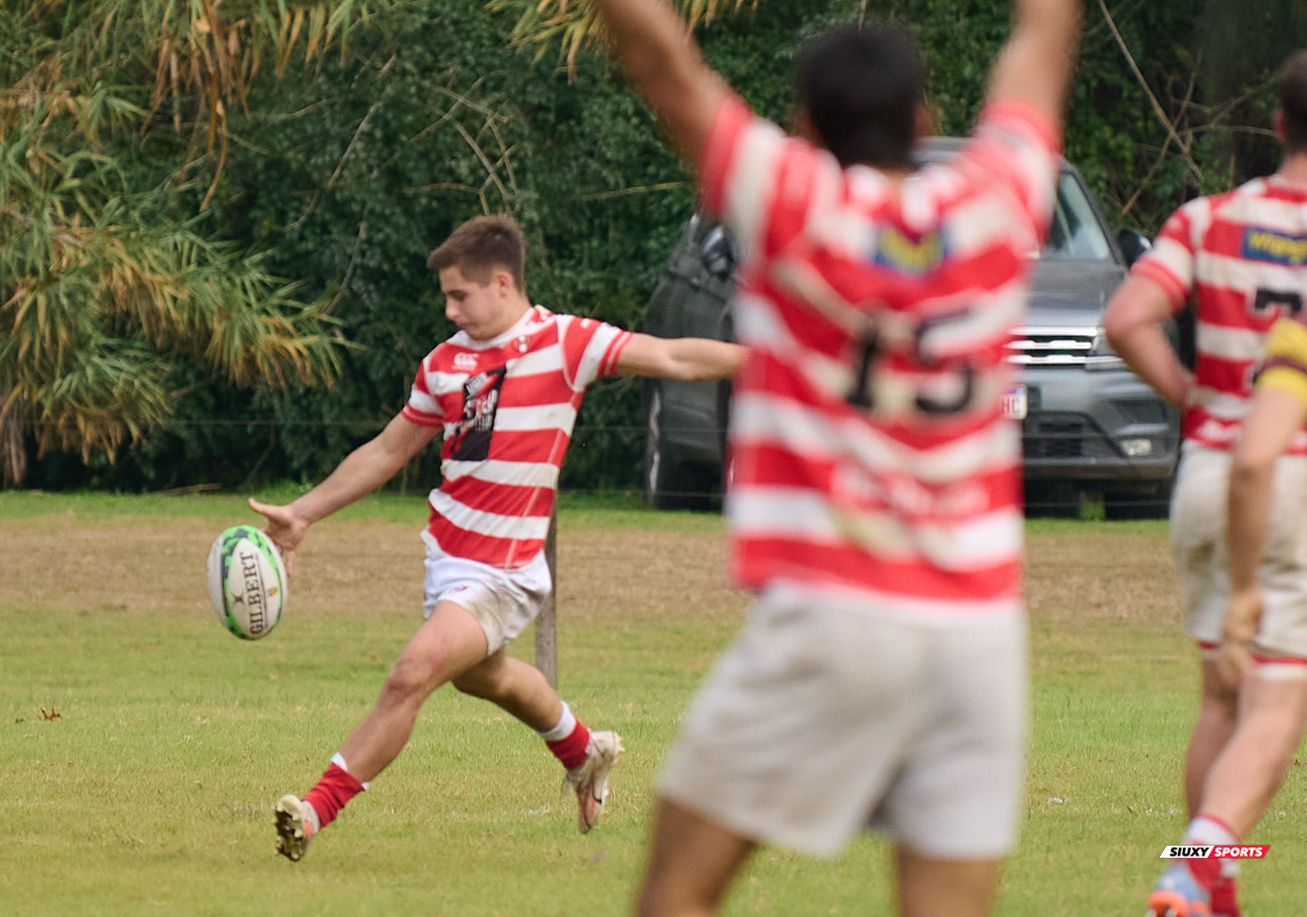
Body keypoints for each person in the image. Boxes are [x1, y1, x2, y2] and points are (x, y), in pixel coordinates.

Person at [587, 0, 1079, 913]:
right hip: (978, 633)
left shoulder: (789, 196)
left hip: (835, 611)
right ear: (926, 123)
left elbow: (663, 61)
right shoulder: (996, 198)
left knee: (675, 895)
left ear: (806, 128)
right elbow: (1042, 39)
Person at [250, 214, 745, 861]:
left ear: (503, 282)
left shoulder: (565, 342)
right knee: (488, 677)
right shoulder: (444, 365)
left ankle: (314, 810)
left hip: (506, 569)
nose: (450, 309)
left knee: (412, 674)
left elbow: (674, 353)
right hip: (447, 558)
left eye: (460, 295)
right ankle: (583, 751)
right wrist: (304, 512)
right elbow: (386, 450)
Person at [1107, 49, 1307, 917]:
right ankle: (1194, 866)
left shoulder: (1208, 218)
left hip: (1206, 474)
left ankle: (1208, 900)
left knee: (1221, 692)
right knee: (1278, 699)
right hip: (1290, 474)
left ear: (1276, 126)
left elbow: (1126, 318)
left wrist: (1193, 397)